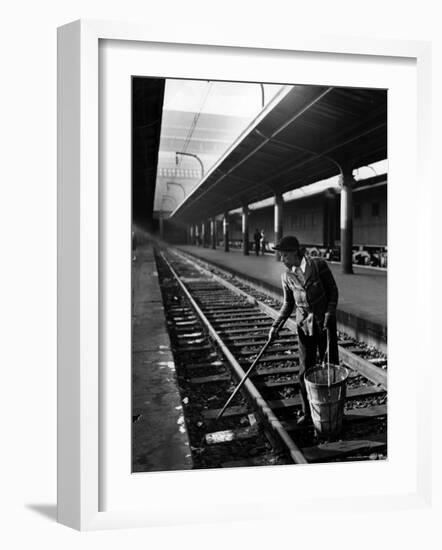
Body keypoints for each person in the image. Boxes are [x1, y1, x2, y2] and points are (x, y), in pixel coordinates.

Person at [268, 235, 339, 425]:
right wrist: (275, 326)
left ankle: (333, 411)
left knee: (330, 368)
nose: (281, 259)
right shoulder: (286, 276)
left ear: (293, 253)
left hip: (324, 323)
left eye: (284, 255)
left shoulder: (318, 266)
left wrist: (329, 313)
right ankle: (308, 413)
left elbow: (333, 291)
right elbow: (288, 304)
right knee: (304, 370)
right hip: (304, 326)